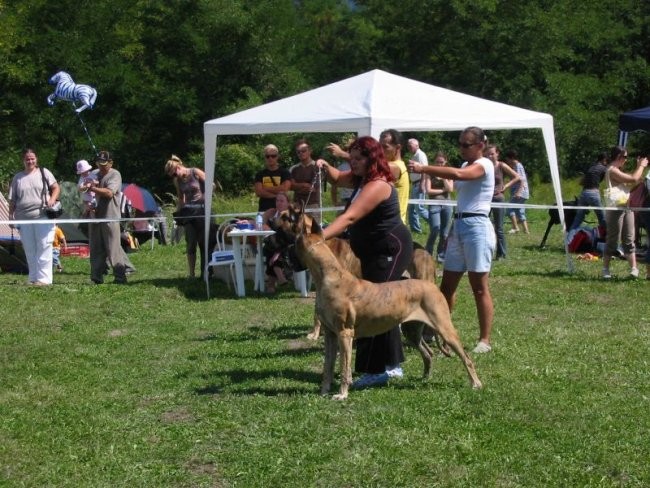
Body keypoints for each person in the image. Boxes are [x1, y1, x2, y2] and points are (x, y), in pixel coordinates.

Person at [316, 136, 413, 389]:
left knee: (376, 305)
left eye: (358, 158)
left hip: (390, 248)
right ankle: (392, 367)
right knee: (383, 304)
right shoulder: (361, 178)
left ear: (372, 159)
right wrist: (324, 166)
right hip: (372, 252)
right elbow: (337, 177)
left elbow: (349, 217)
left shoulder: (378, 184)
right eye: (352, 156)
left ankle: (375, 369)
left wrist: (319, 238)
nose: (353, 162)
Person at [409, 127, 496, 354]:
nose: (461, 149)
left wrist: (424, 167)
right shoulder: (467, 165)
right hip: (459, 226)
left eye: (466, 145)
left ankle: (484, 340)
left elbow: (456, 176)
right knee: (446, 286)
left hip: (477, 226)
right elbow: (451, 183)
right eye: (460, 144)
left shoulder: (484, 164)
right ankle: (440, 330)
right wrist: (428, 175)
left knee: (479, 288)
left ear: (480, 146)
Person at [8, 148, 60, 285]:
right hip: (23, 218)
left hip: (43, 216)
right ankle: (33, 278)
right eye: (27, 159)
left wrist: (52, 199)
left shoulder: (44, 172)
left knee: (44, 246)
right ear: (23, 160)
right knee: (30, 249)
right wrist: (10, 216)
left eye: (32, 158)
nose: (30, 161)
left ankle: (44, 280)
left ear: (36, 159)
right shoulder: (18, 178)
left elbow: (56, 188)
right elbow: (12, 200)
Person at [601, 146, 648, 279]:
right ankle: (605, 269)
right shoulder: (612, 170)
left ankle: (634, 269)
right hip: (615, 209)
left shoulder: (618, 171)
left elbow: (632, 183)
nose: (626, 160)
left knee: (629, 239)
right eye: (625, 157)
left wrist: (639, 180)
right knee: (612, 239)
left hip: (626, 207)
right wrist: (641, 166)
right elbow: (633, 178)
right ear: (618, 157)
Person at [165, 154, 214, 279]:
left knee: (205, 243)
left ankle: (207, 273)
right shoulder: (177, 181)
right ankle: (191, 273)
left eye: (175, 174)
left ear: (179, 167)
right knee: (191, 244)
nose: (175, 177)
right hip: (189, 213)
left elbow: (211, 185)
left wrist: (205, 197)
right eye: (172, 176)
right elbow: (181, 198)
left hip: (203, 211)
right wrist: (178, 215)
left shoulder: (195, 172)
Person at [88, 151, 128, 284]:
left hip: (110, 217)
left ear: (111, 163)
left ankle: (120, 277)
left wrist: (93, 189)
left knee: (113, 249)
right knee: (96, 248)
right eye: (99, 163)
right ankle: (96, 277)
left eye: (104, 164)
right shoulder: (95, 175)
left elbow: (110, 193)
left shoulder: (115, 174)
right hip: (97, 217)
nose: (101, 166)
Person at [485, 144, 520, 259]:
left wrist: (506, 186)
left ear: (497, 153)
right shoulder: (484, 165)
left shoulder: (501, 165)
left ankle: (501, 253)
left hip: (498, 198)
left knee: (498, 228)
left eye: (492, 154)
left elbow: (517, 177)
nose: (490, 156)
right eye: (488, 154)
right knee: (484, 226)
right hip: (485, 199)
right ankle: (485, 252)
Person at [422, 151, 454, 261]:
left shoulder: (449, 172)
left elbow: (450, 189)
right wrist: (442, 190)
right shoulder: (429, 173)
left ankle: (441, 255)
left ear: (445, 161)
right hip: (434, 204)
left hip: (447, 205)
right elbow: (428, 191)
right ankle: (428, 252)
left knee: (444, 233)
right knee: (435, 229)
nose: (439, 164)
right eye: (437, 162)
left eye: (441, 162)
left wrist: (443, 176)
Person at [261, 192, 292, 293]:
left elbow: (288, 238)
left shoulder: (290, 215)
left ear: (288, 203)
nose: (279, 203)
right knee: (269, 245)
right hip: (274, 246)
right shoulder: (272, 212)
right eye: (277, 200)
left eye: (282, 201)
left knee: (270, 249)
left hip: (287, 246)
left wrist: (277, 253)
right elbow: (260, 223)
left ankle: (271, 285)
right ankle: (279, 276)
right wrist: (249, 222)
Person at [569, 152, 608, 231]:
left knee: (578, 219)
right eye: (606, 161)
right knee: (602, 219)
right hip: (594, 193)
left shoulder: (591, 167)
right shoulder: (603, 168)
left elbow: (581, 182)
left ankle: (569, 240)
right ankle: (605, 240)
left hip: (584, 193)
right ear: (604, 160)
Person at [379, 129, 410, 225]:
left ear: (398, 147)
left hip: (393, 226)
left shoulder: (396, 167)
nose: (381, 150)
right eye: (379, 147)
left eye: (385, 147)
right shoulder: (393, 165)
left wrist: (344, 155)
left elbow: (370, 165)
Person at [290, 139, 322, 223]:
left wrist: (297, 186)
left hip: (313, 205)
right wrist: (304, 185)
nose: (301, 153)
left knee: (314, 234)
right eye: (298, 152)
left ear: (310, 151)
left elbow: (313, 188)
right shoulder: (294, 169)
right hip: (297, 206)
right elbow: (290, 186)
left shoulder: (317, 167)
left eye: (303, 151)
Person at [254, 144, 291, 212]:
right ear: (264, 157)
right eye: (267, 156)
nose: (270, 158)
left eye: (273, 156)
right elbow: (259, 192)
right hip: (263, 209)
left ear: (277, 157)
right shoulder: (259, 174)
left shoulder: (285, 172)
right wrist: (277, 196)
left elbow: (284, 189)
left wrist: (265, 188)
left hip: (281, 211)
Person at [406, 138, 429, 234]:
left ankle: (435, 223)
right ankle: (416, 230)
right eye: (408, 146)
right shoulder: (415, 155)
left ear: (417, 145)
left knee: (419, 208)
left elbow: (425, 169)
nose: (409, 147)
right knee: (411, 208)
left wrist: (422, 184)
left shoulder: (420, 155)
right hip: (415, 183)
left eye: (410, 146)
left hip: (419, 183)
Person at [504, 149, 530, 234]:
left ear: (511, 158)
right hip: (523, 192)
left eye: (507, 159)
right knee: (520, 211)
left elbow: (521, 180)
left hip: (520, 192)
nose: (507, 161)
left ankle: (515, 228)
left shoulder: (517, 165)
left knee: (510, 209)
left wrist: (518, 192)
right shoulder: (516, 166)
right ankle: (526, 231)